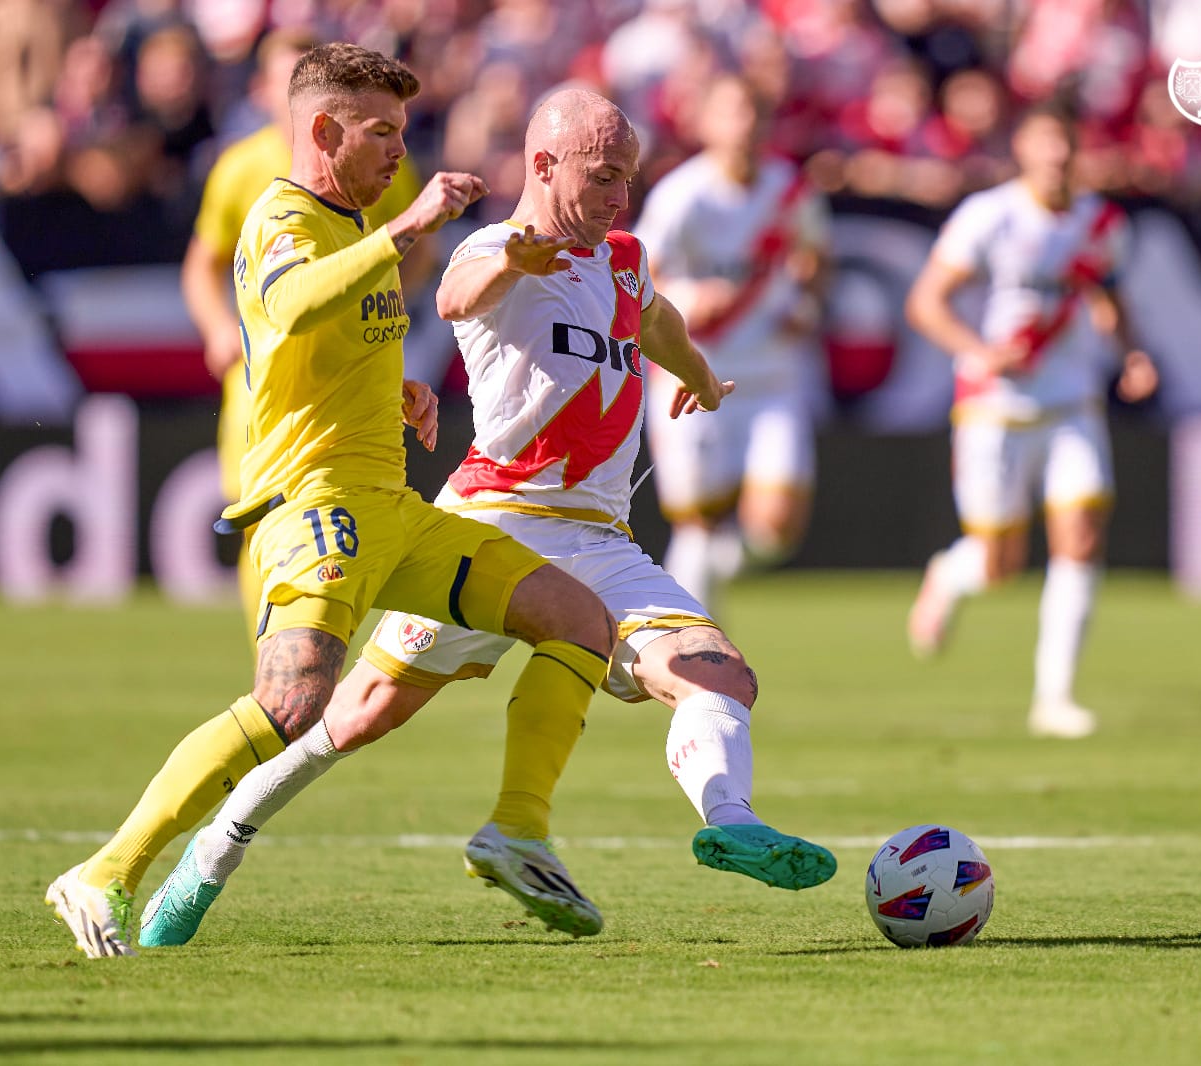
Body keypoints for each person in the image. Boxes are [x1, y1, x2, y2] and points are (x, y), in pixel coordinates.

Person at [134, 87, 839, 951]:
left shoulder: (624, 256)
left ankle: (731, 822)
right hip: (493, 525)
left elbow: (656, 319)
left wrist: (695, 374)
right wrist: (514, 262)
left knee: (719, 673)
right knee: (354, 715)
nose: (622, 197)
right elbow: (455, 296)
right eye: (605, 177)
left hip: (600, 539)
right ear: (545, 166)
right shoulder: (497, 247)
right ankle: (209, 856)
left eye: (630, 178)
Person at [46, 43, 619, 958]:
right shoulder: (285, 216)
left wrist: (398, 392)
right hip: (314, 509)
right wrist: (408, 229)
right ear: (323, 131)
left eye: (403, 130)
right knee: (291, 703)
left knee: (580, 620)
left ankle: (517, 829)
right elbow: (290, 303)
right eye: (381, 131)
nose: (401, 151)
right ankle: (107, 871)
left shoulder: (353, 228)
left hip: (392, 508)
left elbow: (324, 345)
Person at [904, 103, 1159, 739]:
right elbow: (926, 302)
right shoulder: (989, 216)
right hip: (996, 408)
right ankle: (949, 573)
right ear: (1022, 149)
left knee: (1083, 535)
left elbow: (1110, 296)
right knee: (998, 565)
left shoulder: (1102, 222)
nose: (1057, 157)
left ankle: (1055, 697)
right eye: (1045, 143)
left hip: (1072, 404)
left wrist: (1131, 352)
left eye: (1066, 144)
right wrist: (981, 352)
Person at [180, 29, 432, 638]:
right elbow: (202, 263)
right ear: (267, 88)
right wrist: (218, 329)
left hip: (344, 387)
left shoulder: (377, 152)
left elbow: (418, 249)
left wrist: (380, 319)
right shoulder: (241, 169)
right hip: (261, 377)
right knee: (263, 513)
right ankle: (273, 661)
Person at [634, 73, 833, 614]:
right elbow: (638, 274)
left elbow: (817, 257)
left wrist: (807, 303)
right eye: (730, 112)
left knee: (777, 529)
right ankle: (689, 639)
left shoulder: (788, 188)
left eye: (753, 112)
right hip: (695, 374)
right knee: (698, 518)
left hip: (771, 378)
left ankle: (698, 593)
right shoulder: (683, 195)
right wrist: (693, 297)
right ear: (706, 122)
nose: (743, 125)